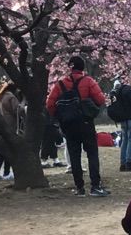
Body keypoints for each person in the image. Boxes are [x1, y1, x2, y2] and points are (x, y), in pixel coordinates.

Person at [45, 55, 109, 197]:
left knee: (74, 155)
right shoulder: (88, 81)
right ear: (83, 67)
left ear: (70, 67)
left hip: (68, 124)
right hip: (85, 123)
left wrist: (59, 116)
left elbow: (50, 104)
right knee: (92, 153)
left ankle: (79, 188)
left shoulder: (60, 84)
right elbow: (100, 99)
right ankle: (95, 186)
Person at [0, 82, 23, 181]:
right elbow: (17, 110)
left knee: (4, 151)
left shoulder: (0, 97)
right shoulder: (11, 97)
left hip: (0, 127)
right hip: (10, 126)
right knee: (8, 151)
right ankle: (6, 173)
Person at [110, 77, 131, 171]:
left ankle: (123, 163)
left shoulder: (118, 90)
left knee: (124, 140)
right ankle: (129, 162)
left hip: (123, 119)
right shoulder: (130, 90)